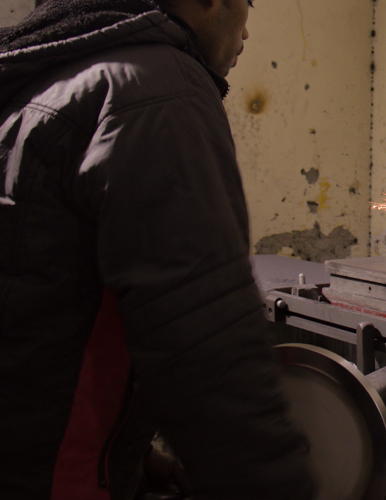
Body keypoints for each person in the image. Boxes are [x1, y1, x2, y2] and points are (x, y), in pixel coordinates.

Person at [0, 0, 315, 498]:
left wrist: (130, 454)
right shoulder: (159, 89)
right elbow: (206, 348)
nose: (246, 33)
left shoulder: (46, 72)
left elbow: (41, 299)